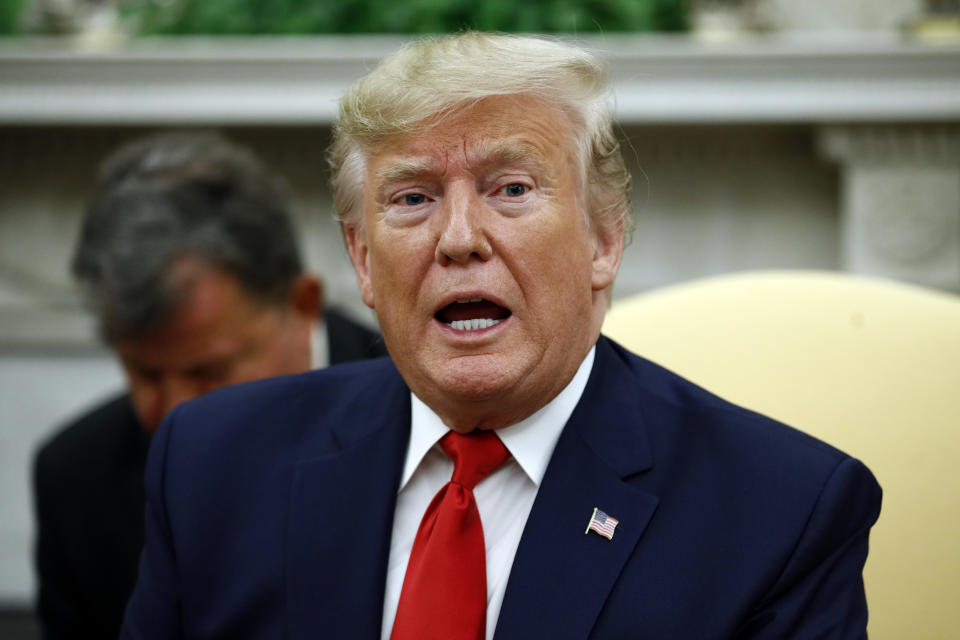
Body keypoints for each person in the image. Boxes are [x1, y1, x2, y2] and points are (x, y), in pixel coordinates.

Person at [120, 34, 881, 640]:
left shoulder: (781, 513)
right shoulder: (212, 464)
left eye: (510, 189)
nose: (458, 239)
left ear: (603, 240)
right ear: (361, 260)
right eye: (413, 198)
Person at [33, 131, 386, 640]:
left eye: (208, 372)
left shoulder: (432, 413)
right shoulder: (78, 480)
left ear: (303, 302)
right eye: (145, 373)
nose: (175, 411)